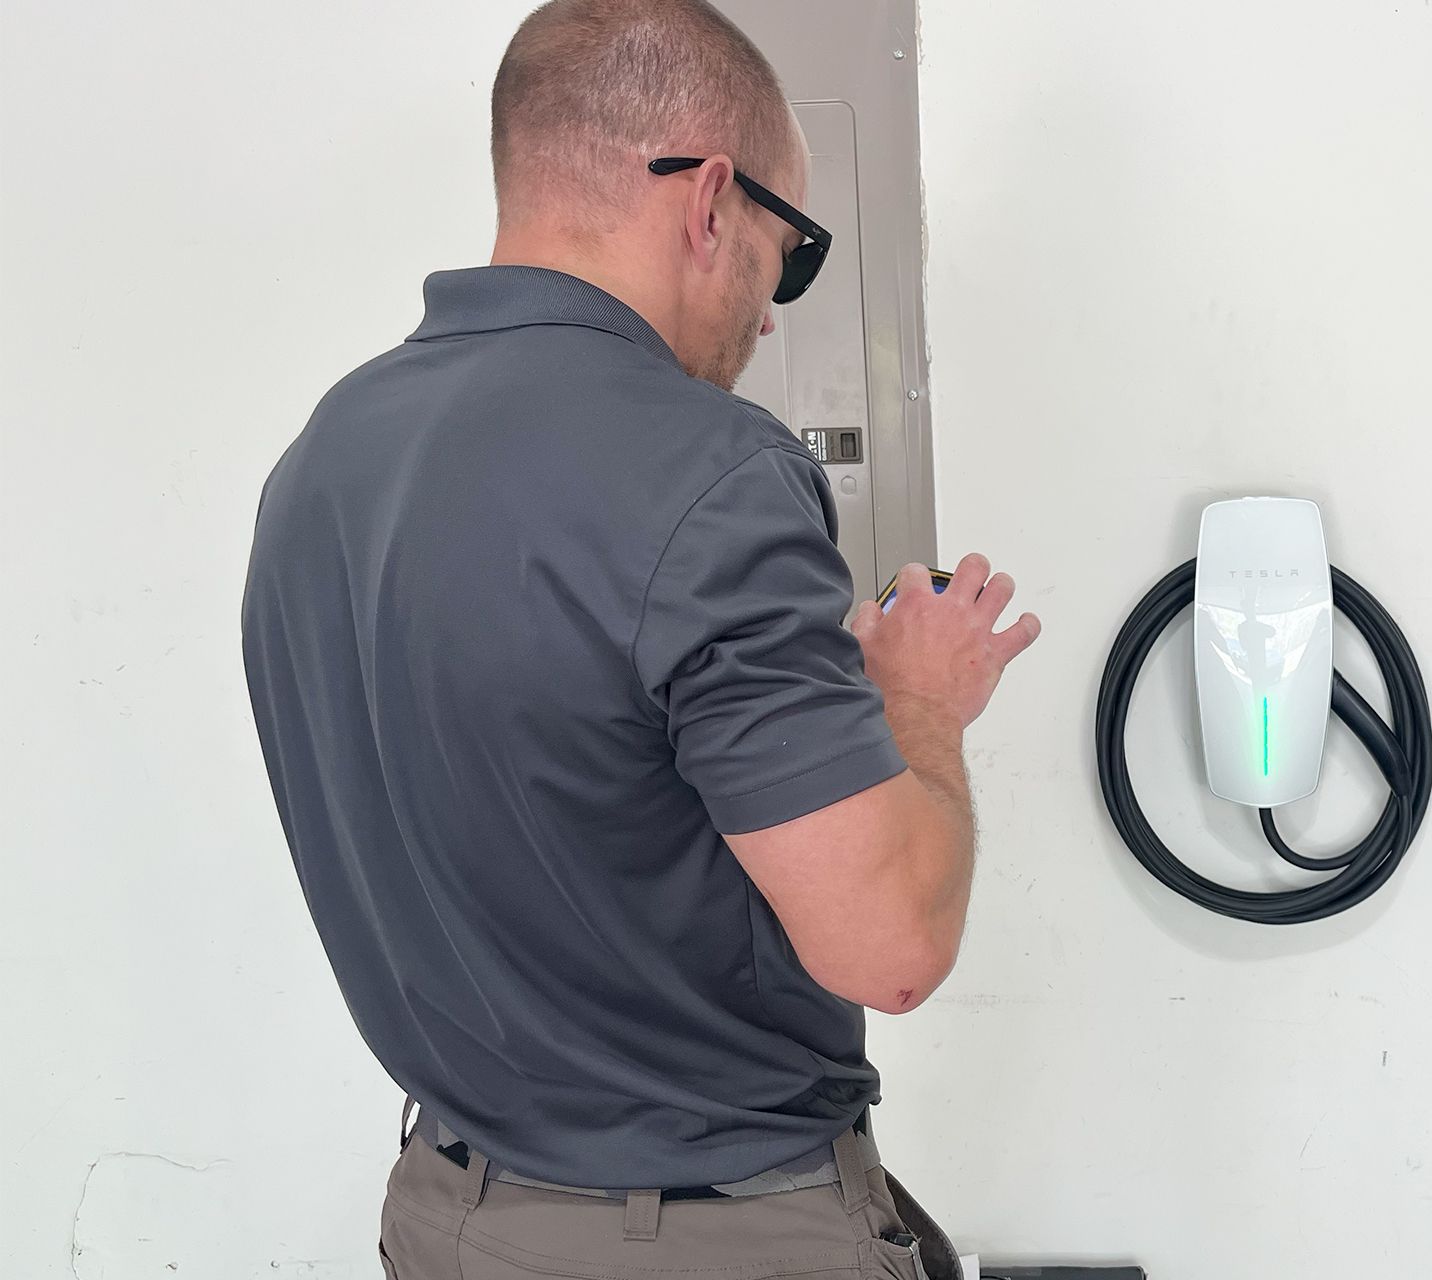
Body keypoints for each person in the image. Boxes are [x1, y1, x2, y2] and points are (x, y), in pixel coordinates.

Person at [239, 1, 1039, 1276]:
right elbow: (890, 950)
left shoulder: (325, 458)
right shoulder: (713, 472)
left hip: (443, 1215)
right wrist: (921, 699)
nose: (773, 315)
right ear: (710, 198)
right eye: (792, 251)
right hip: (701, 1237)